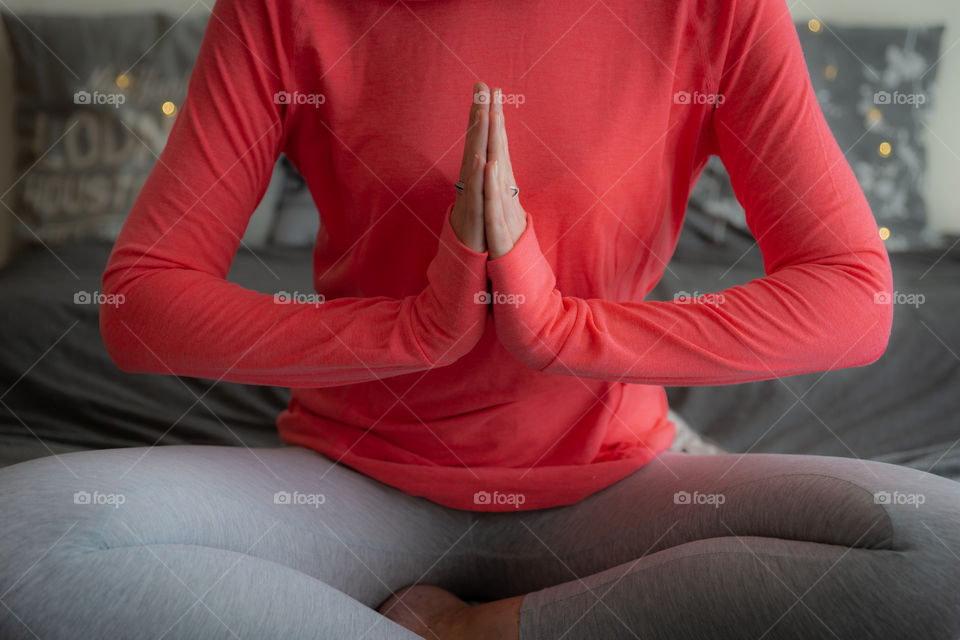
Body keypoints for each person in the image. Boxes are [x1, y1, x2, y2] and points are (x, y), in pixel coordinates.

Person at [2, 0, 959, 638]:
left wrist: (560, 331)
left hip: (612, 491)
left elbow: (857, 298)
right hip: (345, 491)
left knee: (941, 544)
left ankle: (484, 630)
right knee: (20, 537)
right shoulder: (280, 7)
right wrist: (411, 331)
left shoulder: (713, 10)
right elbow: (139, 301)